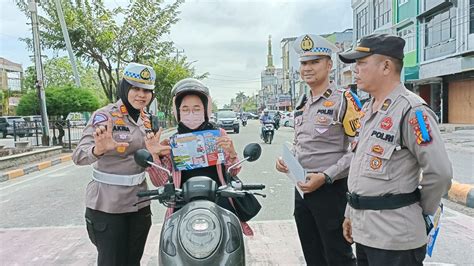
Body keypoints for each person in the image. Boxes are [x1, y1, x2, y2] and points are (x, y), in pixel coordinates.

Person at [339, 33, 453, 266]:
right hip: (366, 233)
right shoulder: (369, 110)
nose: (355, 71)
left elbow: (440, 174)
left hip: (395, 238)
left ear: (386, 66)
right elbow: (361, 171)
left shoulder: (412, 111)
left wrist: (418, 213)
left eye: (361, 63)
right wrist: (350, 214)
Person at [275, 34, 359, 266]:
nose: (308, 68)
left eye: (315, 62)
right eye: (304, 63)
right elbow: (302, 143)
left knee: (338, 257)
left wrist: (326, 176)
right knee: (313, 256)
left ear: (329, 65)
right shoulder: (303, 104)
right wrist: (286, 160)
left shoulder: (345, 101)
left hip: (331, 191)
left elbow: (359, 151)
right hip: (302, 191)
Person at [72, 62, 161, 265]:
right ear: (124, 87)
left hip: (139, 203)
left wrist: (157, 156)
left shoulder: (148, 120)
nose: (141, 95)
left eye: (146, 90)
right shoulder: (105, 116)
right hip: (107, 206)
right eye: (135, 88)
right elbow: (79, 155)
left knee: (132, 261)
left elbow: (153, 158)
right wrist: (99, 150)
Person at [145, 78, 254, 236]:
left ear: (205, 110)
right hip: (181, 206)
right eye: (185, 109)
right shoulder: (170, 143)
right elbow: (160, 181)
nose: (191, 114)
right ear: (178, 111)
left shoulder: (219, 136)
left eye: (196, 109)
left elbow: (234, 171)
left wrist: (231, 152)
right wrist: (154, 156)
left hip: (219, 203)